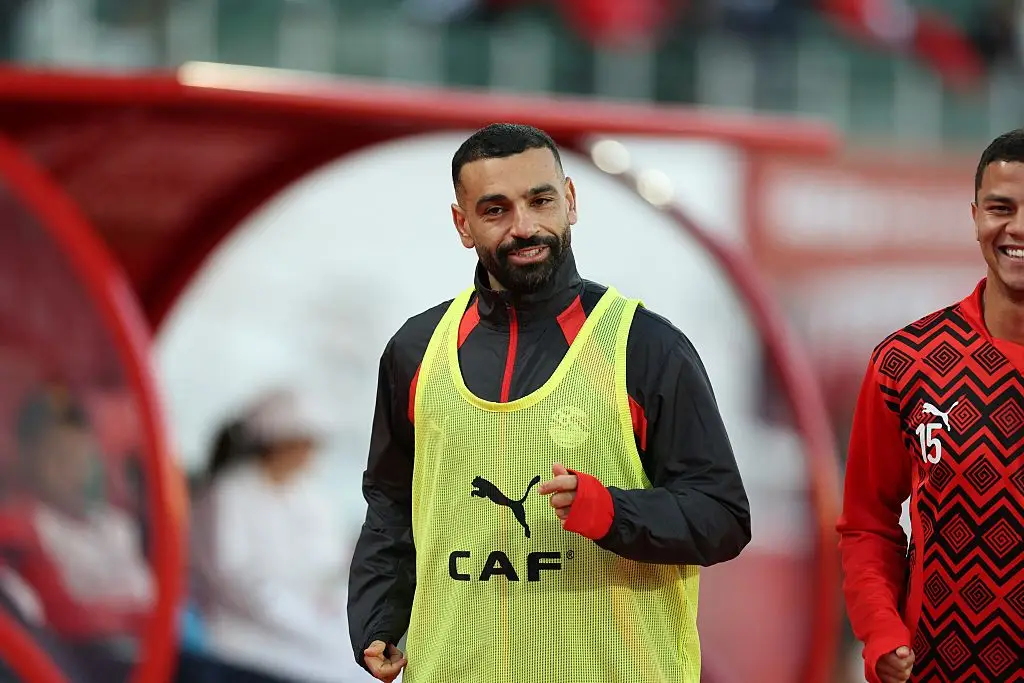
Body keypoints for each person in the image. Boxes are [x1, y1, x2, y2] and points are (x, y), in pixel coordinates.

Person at [347, 123, 751, 682]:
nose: (524, 227)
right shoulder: (415, 351)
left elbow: (723, 517)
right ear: (463, 225)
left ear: (571, 201)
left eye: (541, 201)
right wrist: (377, 617)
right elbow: (391, 503)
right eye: (495, 210)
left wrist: (611, 512)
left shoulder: (645, 347)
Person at [837, 129, 1024, 683]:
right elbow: (867, 525)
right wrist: (881, 630)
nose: (1017, 228)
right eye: (1000, 208)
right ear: (974, 218)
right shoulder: (905, 361)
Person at [190, 389, 360, 683]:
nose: (311, 453)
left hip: (311, 626)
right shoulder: (228, 494)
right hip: (241, 636)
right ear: (280, 442)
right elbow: (233, 578)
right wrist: (300, 619)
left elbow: (329, 565)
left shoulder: (310, 497)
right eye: (305, 443)